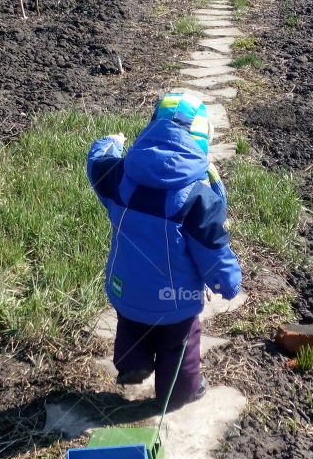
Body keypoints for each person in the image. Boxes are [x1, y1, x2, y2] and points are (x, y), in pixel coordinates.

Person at [87, 91, 242, 411]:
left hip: (126, 287)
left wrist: (109, 142)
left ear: (151, 129)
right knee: (179, 345)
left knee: (131, 324)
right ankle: (179, 391)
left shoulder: (120, 177)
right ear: (201, 140)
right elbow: (212, 250)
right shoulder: (197, 196)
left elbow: (96, 165)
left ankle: (132, 362)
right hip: (176, 301)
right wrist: (228, 283)